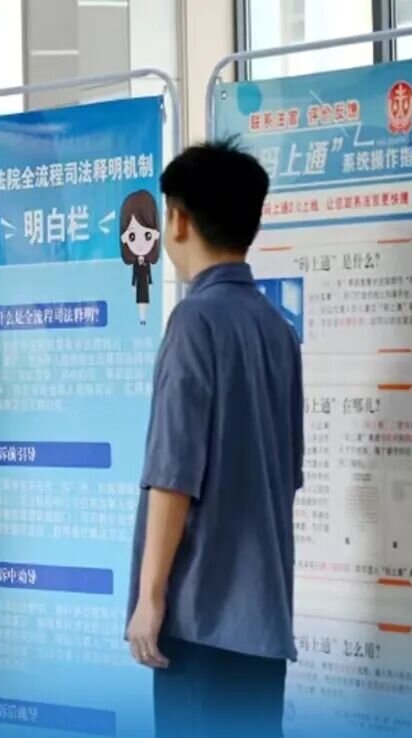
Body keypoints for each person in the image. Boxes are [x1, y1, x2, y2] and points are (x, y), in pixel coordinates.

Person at [125, 139, 303, 738]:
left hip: (198, 618)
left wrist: (151, 598)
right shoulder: (278, 330)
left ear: (178, 221)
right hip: (263, 621)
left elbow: (173, 475)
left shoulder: (194, 321)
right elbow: (289, 474)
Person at [119, 189, 162, 326]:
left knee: (145, 302)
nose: (139, 244)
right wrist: (133, 285)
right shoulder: (136, 263)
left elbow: (149, 274)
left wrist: (151, 283)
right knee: (140, 302)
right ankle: (141, 319)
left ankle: (144, 319)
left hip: (145, 284)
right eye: (132, 236)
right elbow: (134, 274)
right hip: (139, 285)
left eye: (147, 235)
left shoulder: (147, 262)